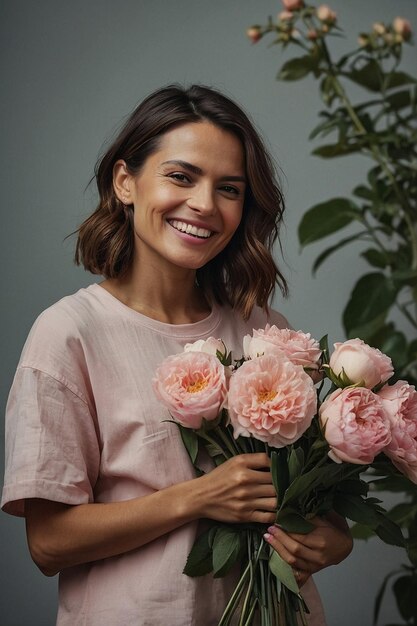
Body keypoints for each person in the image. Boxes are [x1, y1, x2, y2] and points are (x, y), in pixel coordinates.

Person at [1, 84, 352, 625]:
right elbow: (48, 542)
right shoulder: (70, 334)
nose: (205, 205)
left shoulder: (265, 332)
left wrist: (329, 542)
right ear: (125, 181)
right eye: (181, 176)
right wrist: (197, 497)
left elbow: (324, 516)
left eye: (229, 188)